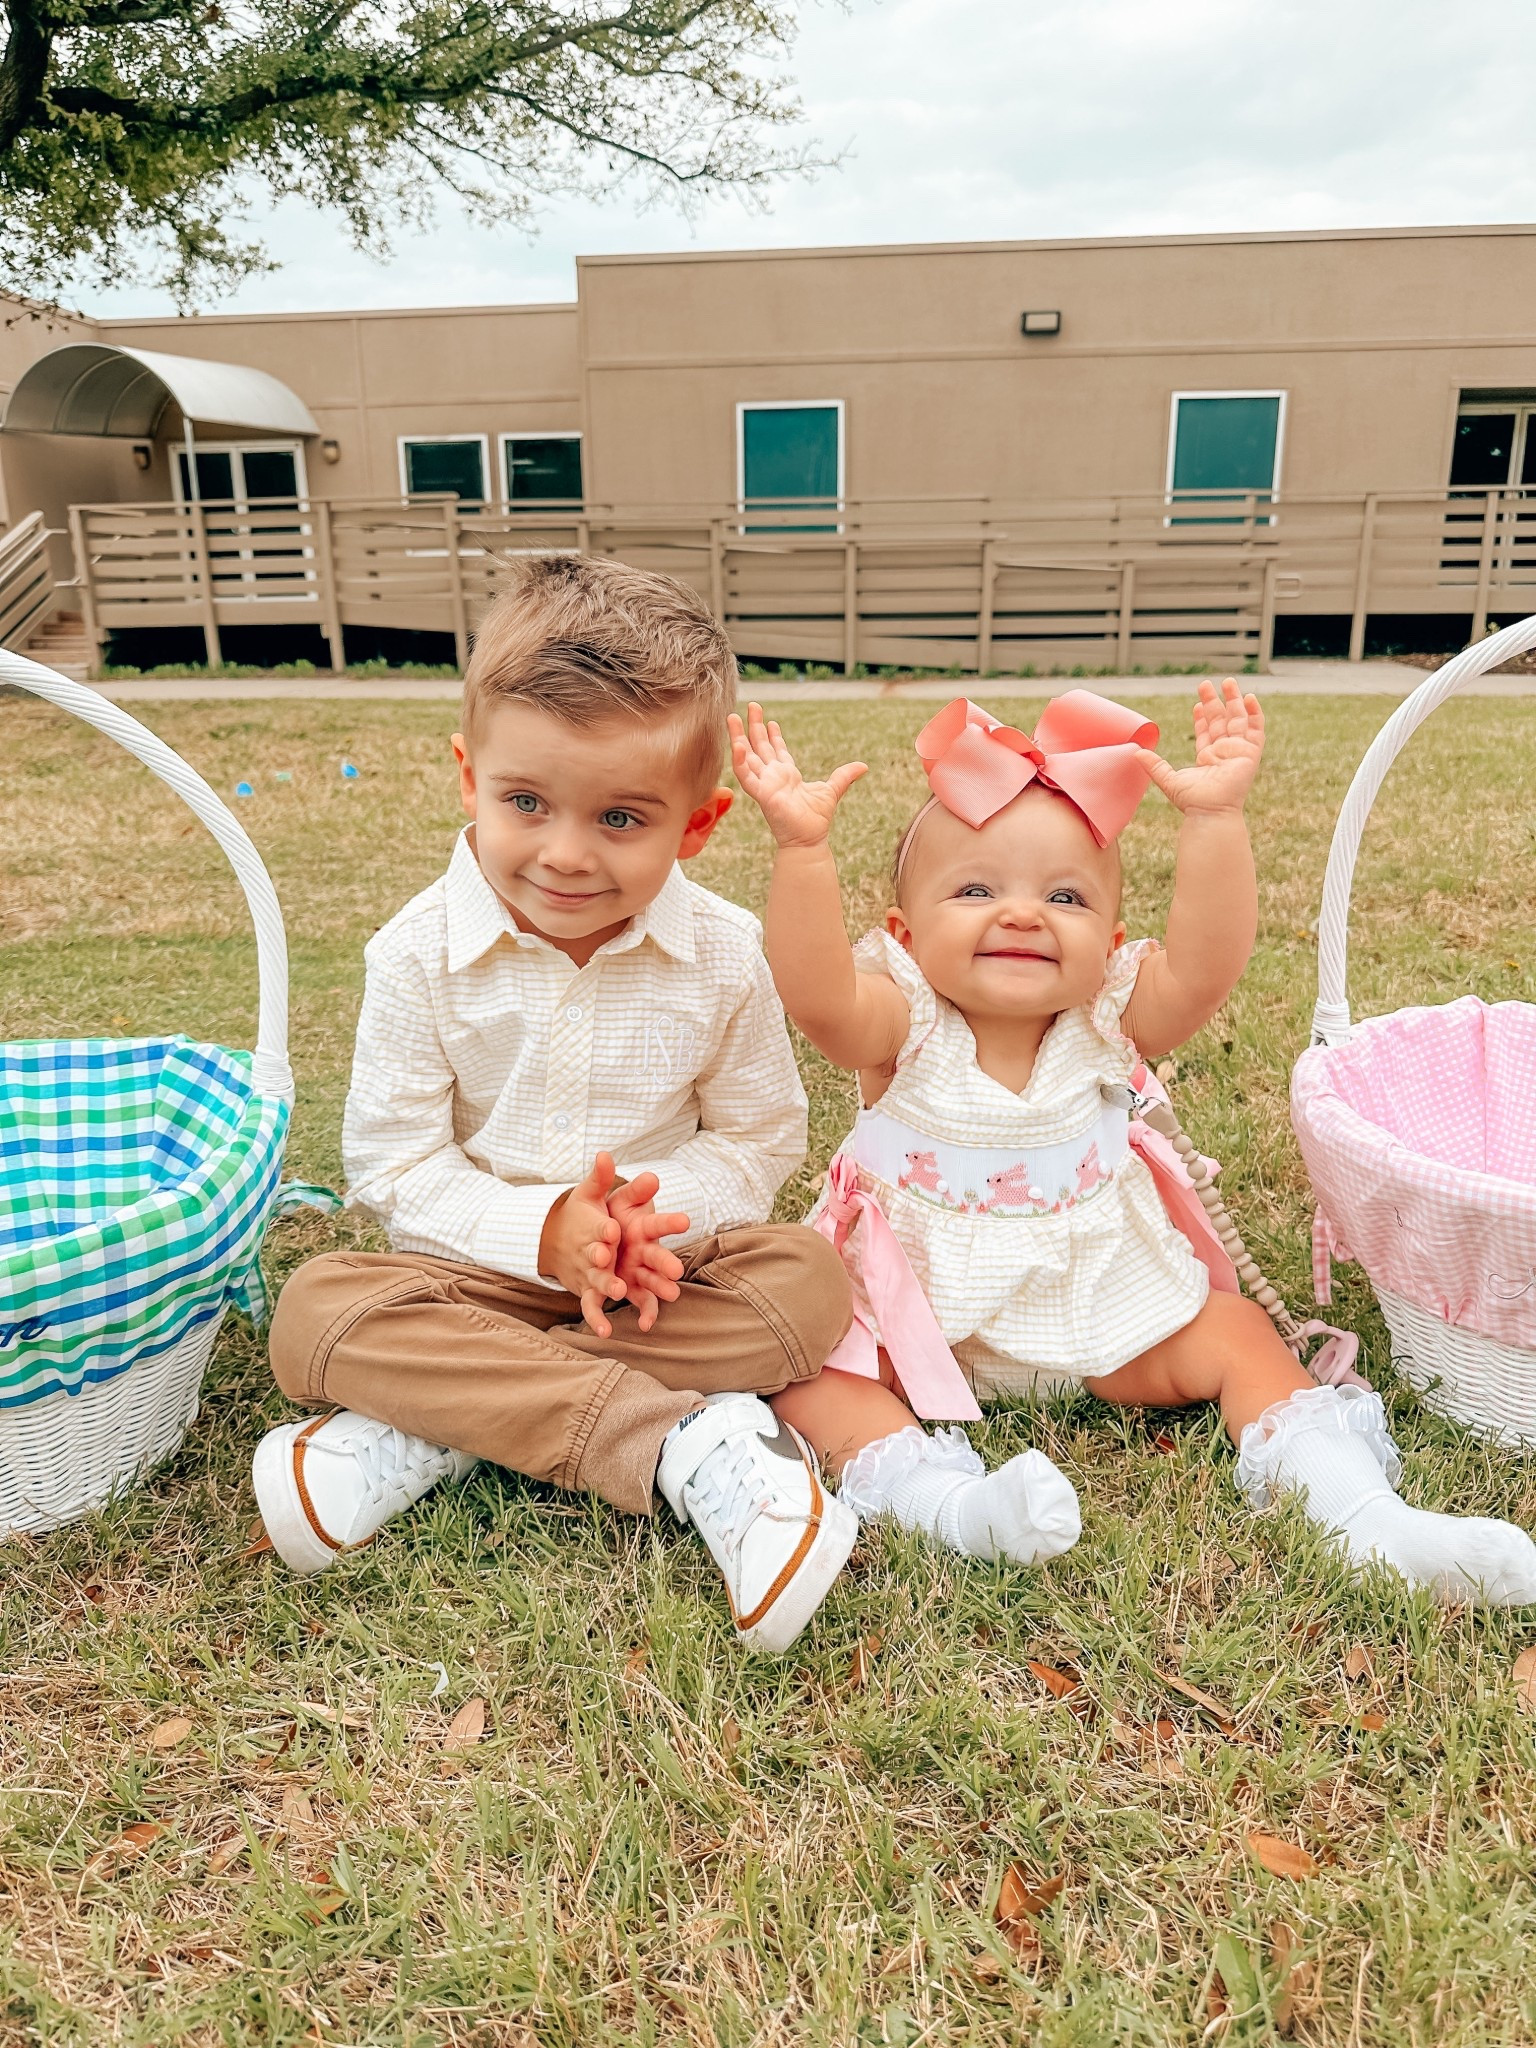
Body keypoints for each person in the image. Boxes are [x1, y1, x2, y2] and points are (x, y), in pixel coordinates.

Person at [729, 682, 1536, 1606]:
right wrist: (801, 851)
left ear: (1111, 942)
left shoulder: (1108, 1017)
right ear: (906, 938)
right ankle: (950, 1507)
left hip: (1099, 1307)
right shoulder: (898, 1021)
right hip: (920, 1323)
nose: (1024, 913)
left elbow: (1202, 967)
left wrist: (1216, 819)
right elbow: (818, 995)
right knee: (810, 1375)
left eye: (1064, 895)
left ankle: (1364, 1518)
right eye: (977, 888)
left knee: (1236, 1334)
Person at [253, 556, 858, 1654]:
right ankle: (684, 1447)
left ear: (701, 821)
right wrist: (544, 1233)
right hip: (469, 1280)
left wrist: (638, 1224)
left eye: (622, 816)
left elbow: (761, 1134)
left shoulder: (725, 953)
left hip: (663, 1281)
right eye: (525, 802)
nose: (566, 853)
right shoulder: (415, 956)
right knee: (315, 1310)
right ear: (467, 774)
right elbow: (394, 1167)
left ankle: (445, 1423)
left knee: (813, 1283)